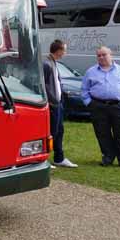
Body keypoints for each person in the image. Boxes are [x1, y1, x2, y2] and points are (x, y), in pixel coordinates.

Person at [81, 46, 120, 169]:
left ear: (111, 55)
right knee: (102, 133)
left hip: (119, 107)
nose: (101, 57)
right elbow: (84, 89)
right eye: (99, 55)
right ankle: (108, 157)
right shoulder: (91, 72)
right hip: (98, 107)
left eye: (104, 54)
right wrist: (89, 103)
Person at [43, 39, 77, 168]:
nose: (65, 53)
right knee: (51, 132)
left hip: (58, 104)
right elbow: (43, 85)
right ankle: (43, 159)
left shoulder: (54, 63)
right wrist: (51, 101)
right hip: (52, 105)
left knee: (59, 131)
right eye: (64, 50)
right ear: (58, 51)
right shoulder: (47, 64)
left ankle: (59, 158)